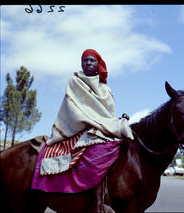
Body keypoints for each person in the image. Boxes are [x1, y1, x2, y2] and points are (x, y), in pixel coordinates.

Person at [40, 49, 134, 212]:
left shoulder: (106, 89)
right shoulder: (74, 81)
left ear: (98, 65)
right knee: (98, 152)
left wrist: (116, 121)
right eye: (85, 60)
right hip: (79, 127)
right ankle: (98, 203)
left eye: (92, 61)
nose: (88, 63)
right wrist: (94, 121)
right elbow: (74, 109)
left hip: (103, 128)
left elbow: (107, 114)